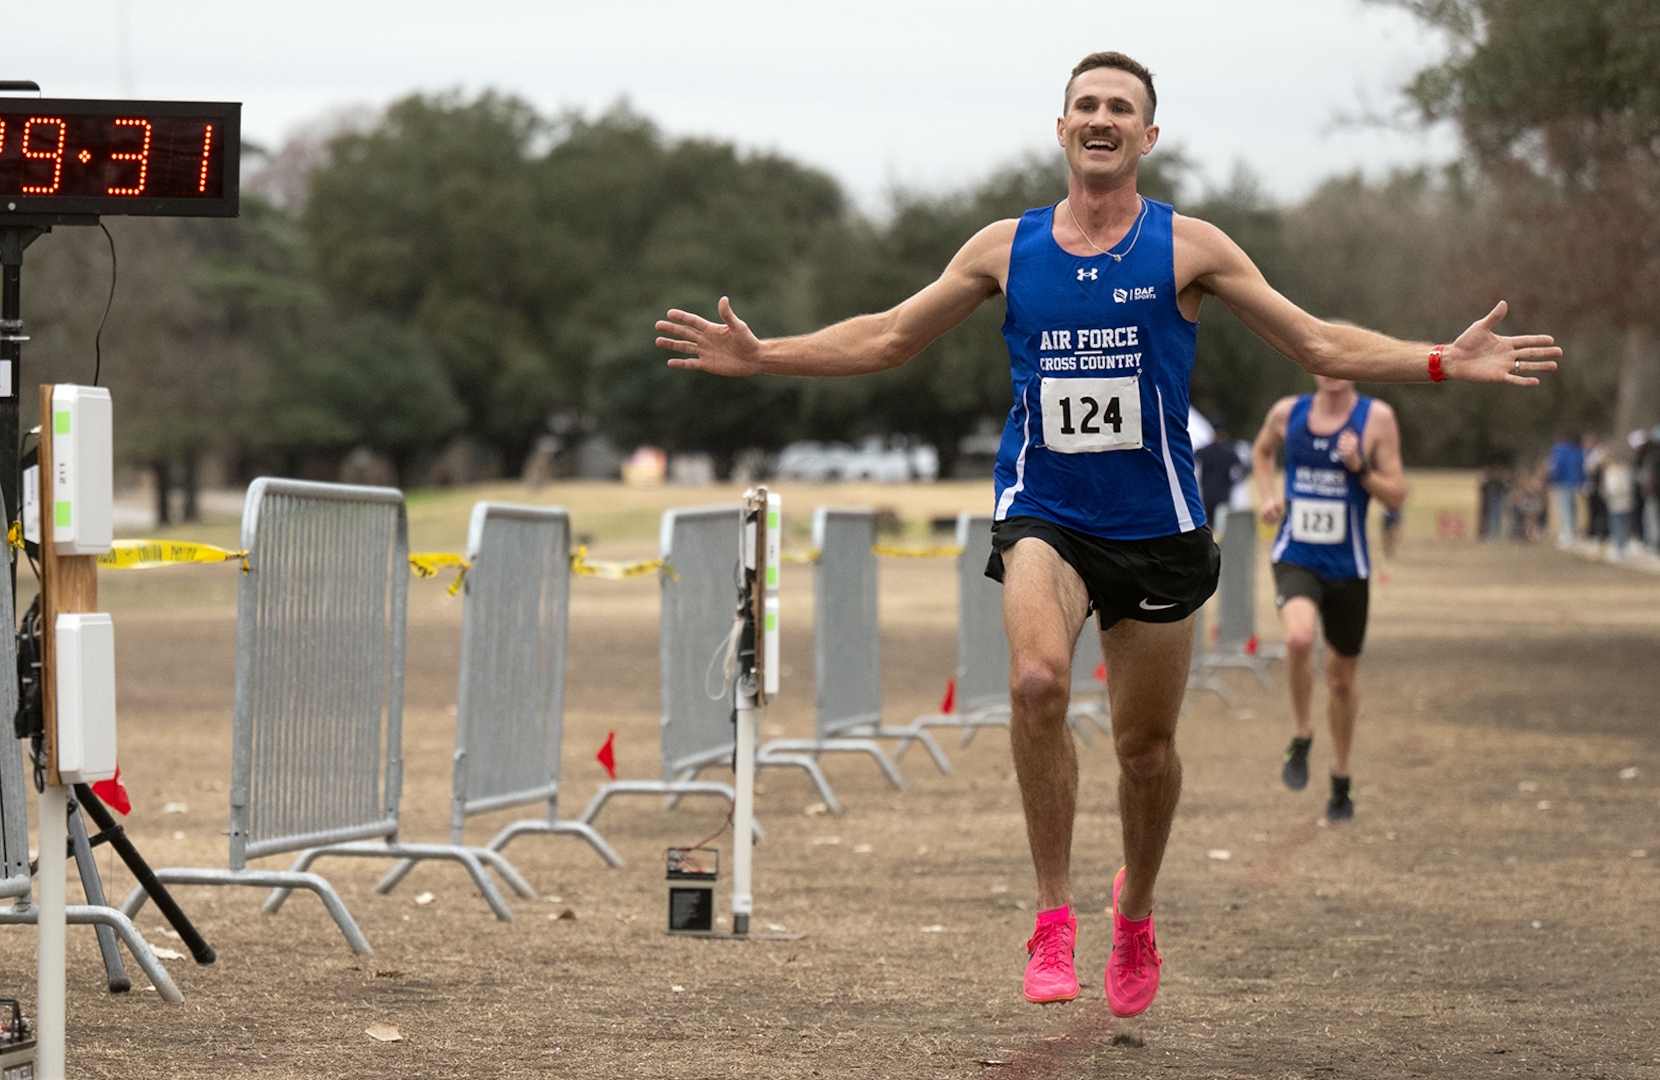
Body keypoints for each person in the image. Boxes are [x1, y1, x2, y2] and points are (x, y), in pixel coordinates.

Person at [654, 51, 1559, 1018]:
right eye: (1083, 104)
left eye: (1118, 108)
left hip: (1156, 528)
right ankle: (1052, 917)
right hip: (1045, 510)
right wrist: (764, 356)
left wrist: (1437, 361)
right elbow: (887, 337)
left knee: (1144, 750)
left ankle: (1137, 908)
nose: (1099, 118)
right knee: (1038, 682)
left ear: (1146, 135)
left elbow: (1318, 345)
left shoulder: (1188, 248)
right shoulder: (1007, 248)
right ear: (1059, 129)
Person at [1249, 375, 1407, 822]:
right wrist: (1269, 496)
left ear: (1354, 366)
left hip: (1348, 567)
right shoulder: (1287, 413)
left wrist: (1360, 468)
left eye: (1341, 359)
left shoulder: (1377, 418)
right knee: (1298, 639)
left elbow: (1396, 494)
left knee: (1341, 681)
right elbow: (1261, 452)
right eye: (1323, 359)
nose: (1331, 369)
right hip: (1295, 554)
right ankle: (1302, 735)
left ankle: (1341, 775)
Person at [1194, 412, 1250, 530]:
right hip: (1224, 496)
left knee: (1209, 527)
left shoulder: (1204, 452)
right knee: (1222, 529)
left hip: (1207, 496)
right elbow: (1244, 468)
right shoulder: (1230, 451)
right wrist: (1233, 481)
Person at [1544, 434, 1586, 547]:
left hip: (1562, 482)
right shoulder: (1577, 451)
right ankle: (1572, 531)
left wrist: (1553, 479)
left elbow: (1557, 467)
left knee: (1565, 508)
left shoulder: (1559, 451)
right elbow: (1582, 466)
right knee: (1573, 508)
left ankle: (1567, 534)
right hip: (1575, 482)